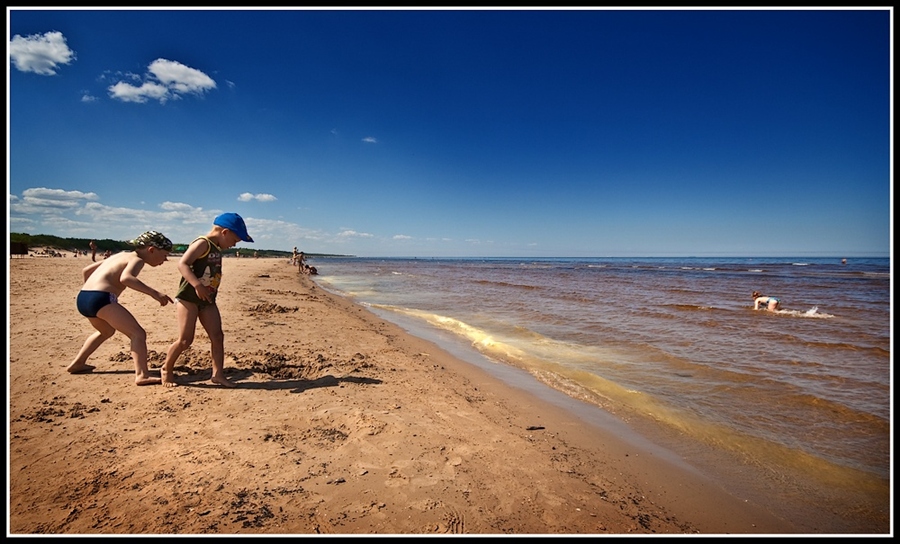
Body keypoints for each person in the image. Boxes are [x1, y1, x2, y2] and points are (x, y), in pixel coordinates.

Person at [67, 231, 174, 385]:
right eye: (164, 255)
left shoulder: (121, 254)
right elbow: (126, 278)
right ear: (151, 250)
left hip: (84, 297)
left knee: (106, 331)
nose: (165, 259)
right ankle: (142, 375)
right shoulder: (138, 260)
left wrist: (91, 289)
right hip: (101, 299)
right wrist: (155, 293)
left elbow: (87, 270)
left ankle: (78, 363)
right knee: (138, 334)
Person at [161, 212, 253, 388]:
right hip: (189, 298)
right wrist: (197, 285)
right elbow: (183, 264)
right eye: (234, 241)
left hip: (208, 300)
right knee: (185, 340)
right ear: (224, 232)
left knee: (217, 336)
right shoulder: (202, 243)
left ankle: (218, 374)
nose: (234, 245)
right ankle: (166, 368)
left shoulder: (216, 248)